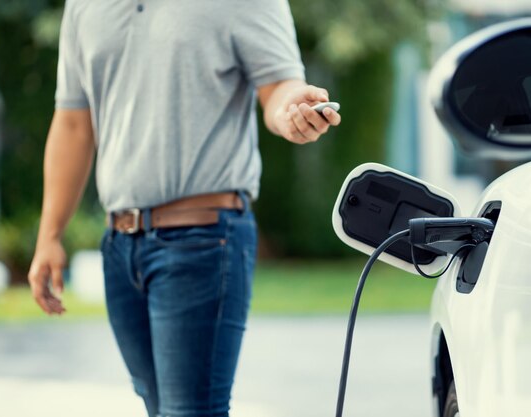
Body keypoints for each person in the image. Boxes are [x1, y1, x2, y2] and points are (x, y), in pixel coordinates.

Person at [27, 1, 341, 416]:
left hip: (204, 239)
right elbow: (73, 123)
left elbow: (279, 87)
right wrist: (49, 235)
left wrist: (293, 110)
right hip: (120, 246)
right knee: (160, 408)